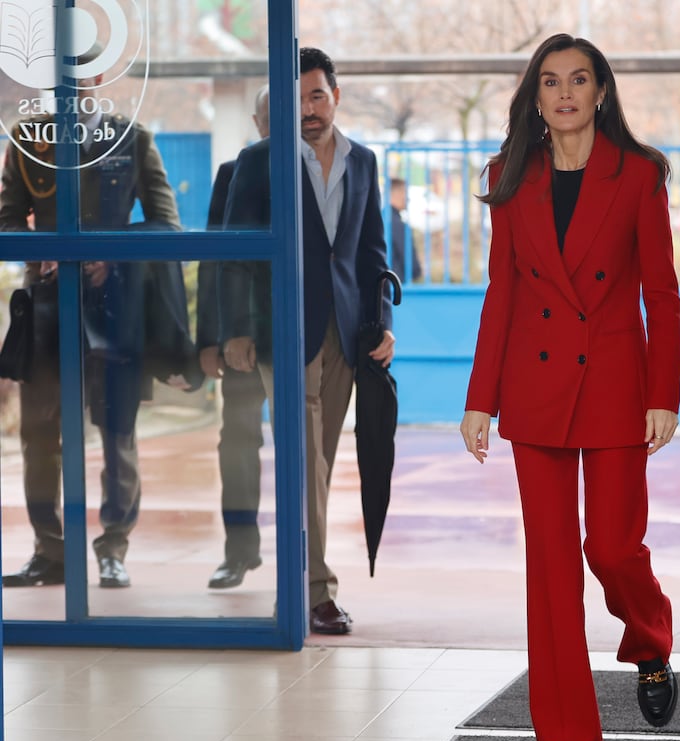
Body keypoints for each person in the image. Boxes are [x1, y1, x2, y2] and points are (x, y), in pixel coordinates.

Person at [459, 33, 680, 741]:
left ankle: (650, 639)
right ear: (536, 97)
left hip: (618, 385)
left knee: (612, 548)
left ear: (600, 92)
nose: (564, 93)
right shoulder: (508, 176)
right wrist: (479, 399)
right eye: (550, 81)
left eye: (578, 80)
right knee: (550, 568)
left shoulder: (640, 174)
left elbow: (662, 293)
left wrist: (664, 395)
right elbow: (504, 293)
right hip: (535, 389)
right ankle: (565, 733)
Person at [220, 47, 395, 635]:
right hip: (282, 329)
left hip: (345, 332)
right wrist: (236, 330)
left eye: (317, 95)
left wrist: (384, 322)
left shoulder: (363, 162)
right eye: (296, 100)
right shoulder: (259, 161)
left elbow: (372, 253)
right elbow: (236, 254)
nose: (309, 110)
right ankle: (311, 591)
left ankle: (302, 582)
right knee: (305, 461)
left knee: (320, 463)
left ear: (335, 96)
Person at [0, 50, 188, 590]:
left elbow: (165, 225)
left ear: (97, 80)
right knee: (39, 435)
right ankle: (50, 550)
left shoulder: (131, 137)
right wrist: (41, 249)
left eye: (78, 80)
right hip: (47, 307)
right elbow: (7, 221)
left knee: (116, 433)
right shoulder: (26, 137)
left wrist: (112, 252)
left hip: (114, 307)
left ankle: (113, 548)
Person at [197, 85, 270, 589]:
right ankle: (239, 552)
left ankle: (311, 567)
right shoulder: (234, 172)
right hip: (247, 337)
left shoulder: (329, 166)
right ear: (256, 119)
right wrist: (214, 338)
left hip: (308, 335)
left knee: (309, 450)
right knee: (238, 443)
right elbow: (215, 259)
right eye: (269, 116)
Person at [389, 177, 423, 281]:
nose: (407, 198)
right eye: (405, 192)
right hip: (397, 284)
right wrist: (417, 272)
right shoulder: (398, 225)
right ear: (397, 194)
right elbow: (410, 261)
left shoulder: (379, 220)